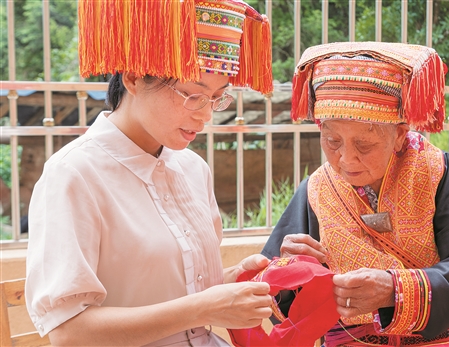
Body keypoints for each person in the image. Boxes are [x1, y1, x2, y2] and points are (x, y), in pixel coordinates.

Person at [25, 0, 274, 346]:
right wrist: (202, 308)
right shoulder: (74, 175)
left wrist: (241, 278)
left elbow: (185, 292)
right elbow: (68, 332)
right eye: (192, 96)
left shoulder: (192, 169)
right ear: (134, 78)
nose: (205, 116)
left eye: (217, 99)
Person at [261, 42, 449, 346]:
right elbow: (270, 291)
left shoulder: (436, 170)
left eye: (364, 145)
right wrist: (289, 271)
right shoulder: (317, 189)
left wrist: (394, 289)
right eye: (332, 140)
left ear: (399, 135)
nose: (346, 159)